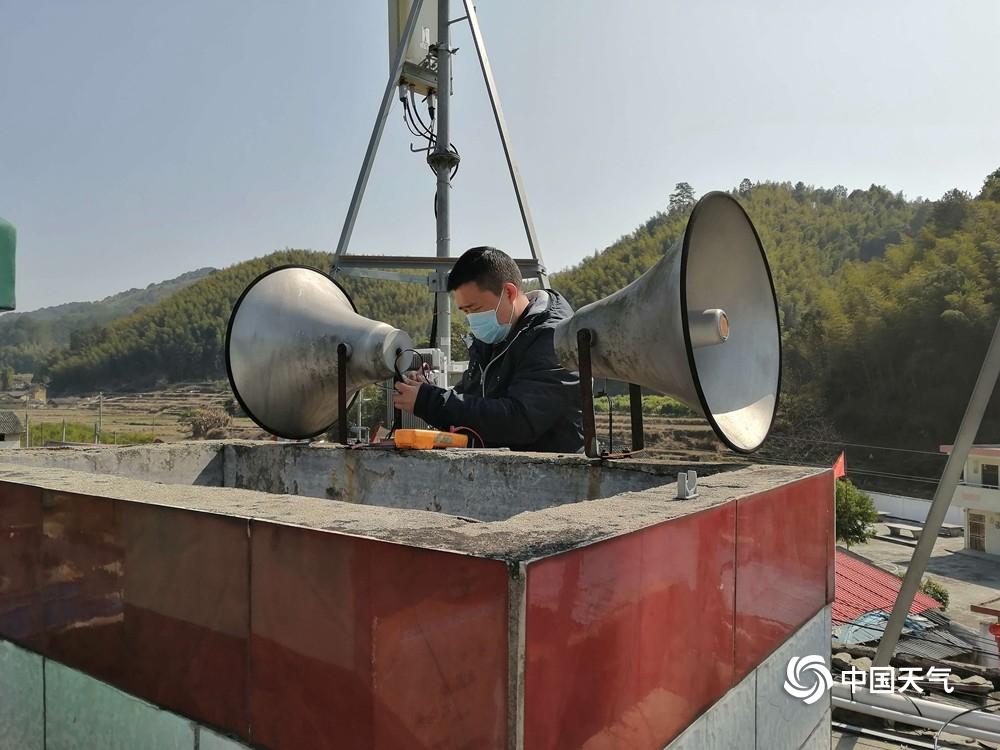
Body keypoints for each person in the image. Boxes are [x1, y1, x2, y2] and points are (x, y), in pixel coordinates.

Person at [392, 246, 584, 453]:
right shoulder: (493, 337)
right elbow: (471, 400)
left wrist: (429, 401)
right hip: (499, 470)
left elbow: (520, 421)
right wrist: (428, 390)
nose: (472, 320)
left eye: (475, 309)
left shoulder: (554, 338)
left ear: (509, 292)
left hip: (550, 476)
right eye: (465, 312)